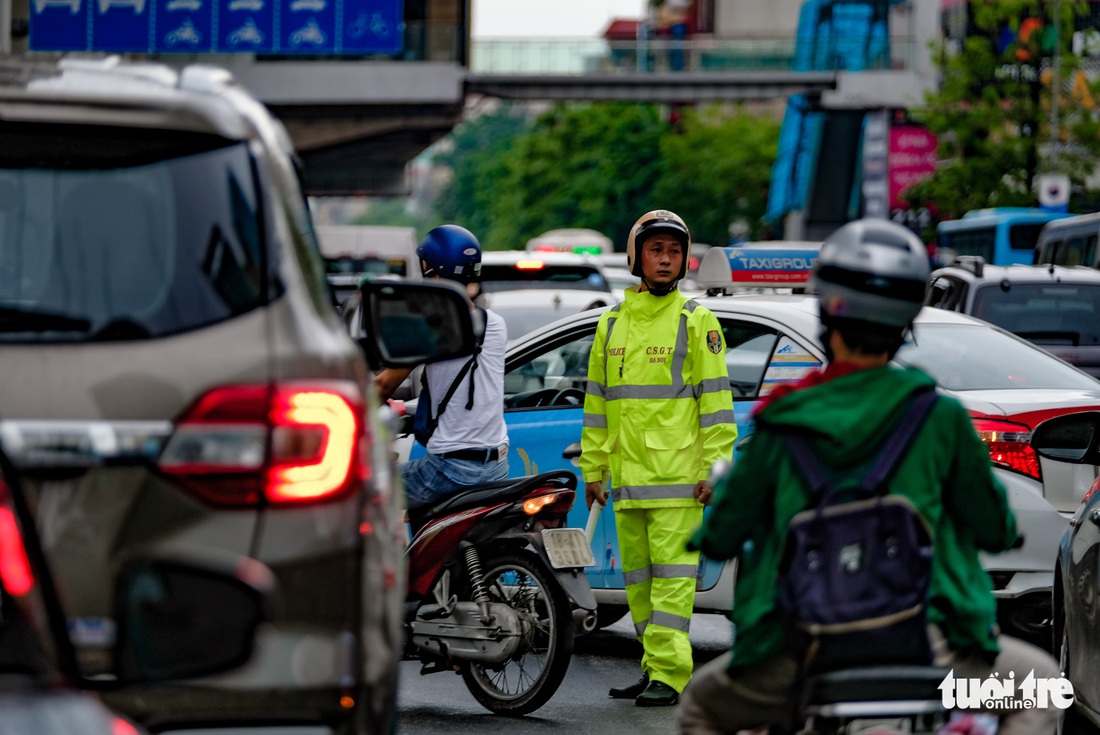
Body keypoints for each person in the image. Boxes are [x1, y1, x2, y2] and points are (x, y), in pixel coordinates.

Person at [677, 219, 1062, 735]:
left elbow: (720, 535)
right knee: (1040, 686)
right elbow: (993, 527)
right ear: (907, 318)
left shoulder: (781, 422)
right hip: (926, 641)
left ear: (824, 310)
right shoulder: (939, 418)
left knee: (700, 708)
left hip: (801, 648)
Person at [580, 209, 737, 707]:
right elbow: (598, 404)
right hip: (627, 482)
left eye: (673, 252)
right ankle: (653, 667)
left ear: (684, 259)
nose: (666, 260)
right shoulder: (611, 324)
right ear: (637, 258)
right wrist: (594, 468)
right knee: (640, 586)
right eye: (656, 251)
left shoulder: (697, 321)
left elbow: (716, 404)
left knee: (672, 586)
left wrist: (717, 470)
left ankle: (669, 674)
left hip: (678, 484)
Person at [375, 224, 509, 510]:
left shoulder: (430, 329)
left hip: (449, 471)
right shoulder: (496, 324)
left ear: (434, 273)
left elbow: (383, 386)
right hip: (496, 466)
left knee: (367, 489)